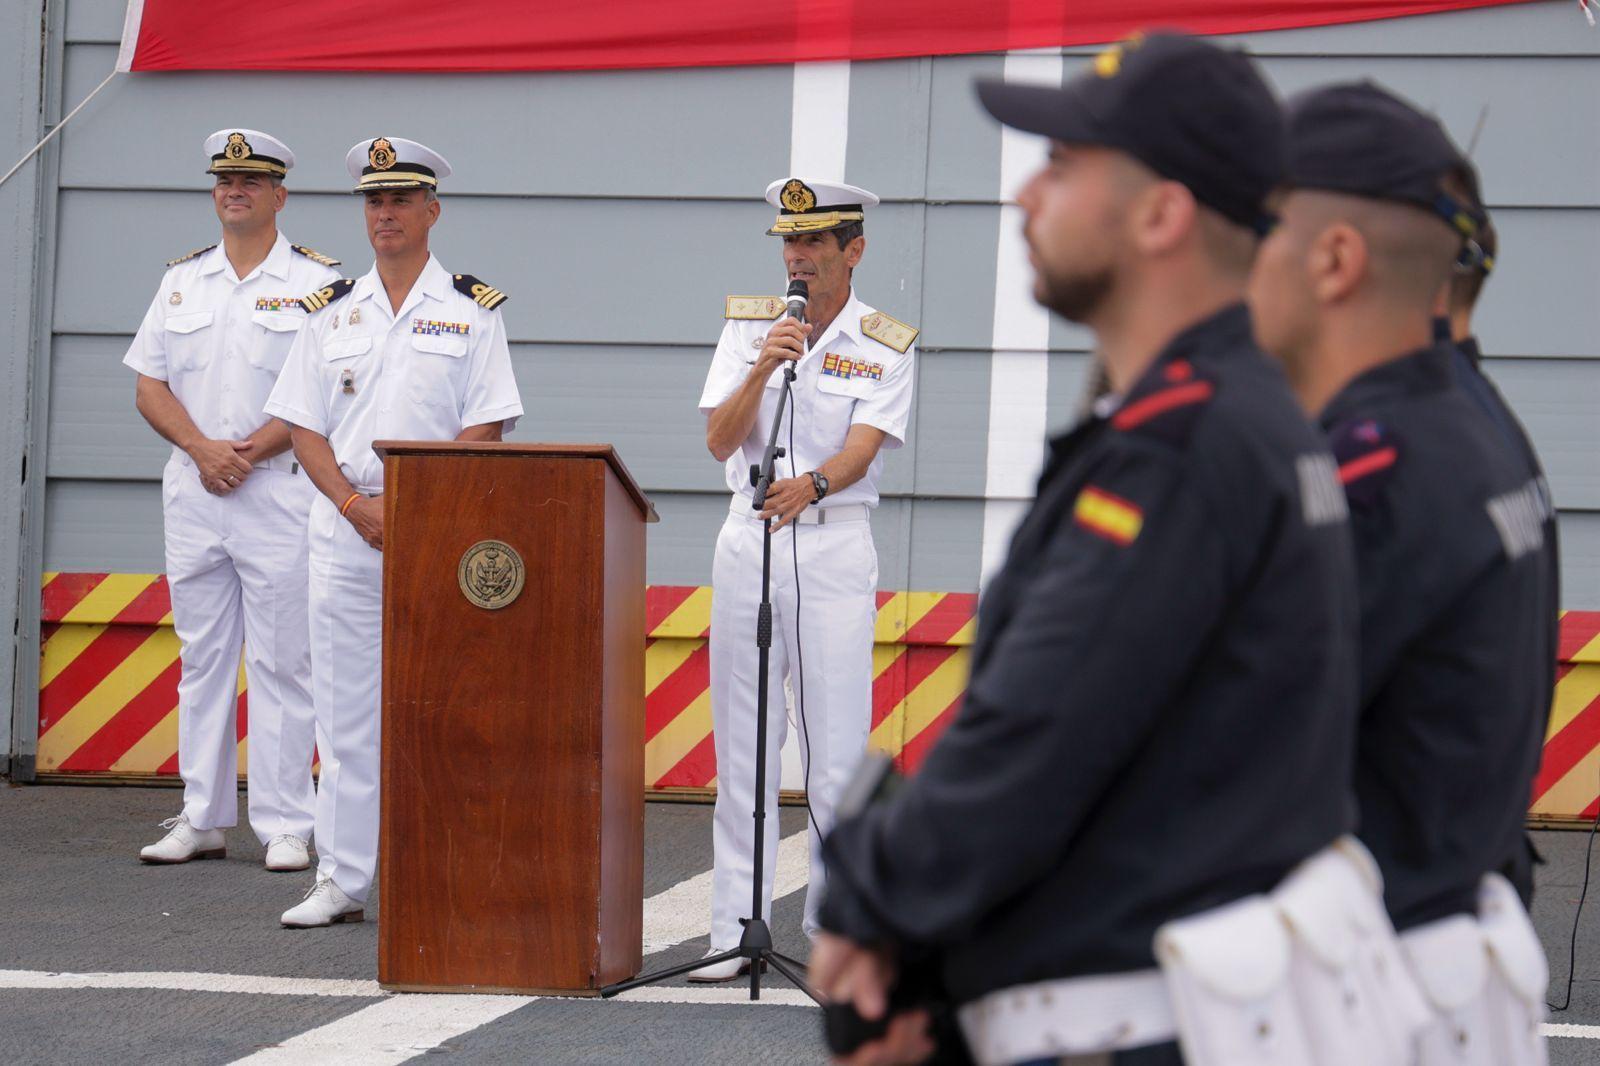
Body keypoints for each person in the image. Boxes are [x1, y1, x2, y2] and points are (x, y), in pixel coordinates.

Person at [810, 34, 1373, 1065]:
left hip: (1137, 1024)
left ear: (1160, 213)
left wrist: (868, 898)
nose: (1026, 197)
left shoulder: (1181, 447)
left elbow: (1037, 733)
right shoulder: (1241, 416)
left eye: (1063, 167)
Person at [1248, 81, 1552, 1064]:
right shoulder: (1478, 425)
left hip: (1367, 970)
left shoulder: (1378, 459)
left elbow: (1241, 747)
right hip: (1441, 929)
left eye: (1258, 234)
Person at [263, 136, 524, 927]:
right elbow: (303, 426)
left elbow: (488, 423)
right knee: (344, 713)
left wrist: (422, 506)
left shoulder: (471, 311)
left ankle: (441, 874)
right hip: (347, 527)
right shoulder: (331, 311)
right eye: (374, 201)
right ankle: (342, 881)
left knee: (442, 709)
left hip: (438, 531)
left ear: (431, 211)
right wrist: (352, 505)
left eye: (400, 200)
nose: (384, 213)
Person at [689, 177, 917, 981]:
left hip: (830, 543)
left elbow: (861, 449)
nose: (797, 257)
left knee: (835, 751)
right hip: (747, 541)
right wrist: (759, 369)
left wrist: (814, 483)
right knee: (745, 744)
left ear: (853, 251)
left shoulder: (884, 343)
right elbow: (720, 442)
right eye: (790, 242)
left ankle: (835, 928)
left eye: (815, 243)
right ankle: (733, 927)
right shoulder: (748, 329)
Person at [125, 128, 339, 871]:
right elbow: (149, 384)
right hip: (195, 490)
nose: (235, 190)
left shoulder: (316, 283)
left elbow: (318, 395)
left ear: (280, 195)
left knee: (284, 661)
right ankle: (201, 813)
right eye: (225, 181)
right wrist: (202, 449)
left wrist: (244, 453)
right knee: (202, 657)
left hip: (274, 491)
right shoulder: (182, 281)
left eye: (251, 181)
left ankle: (286, 822)